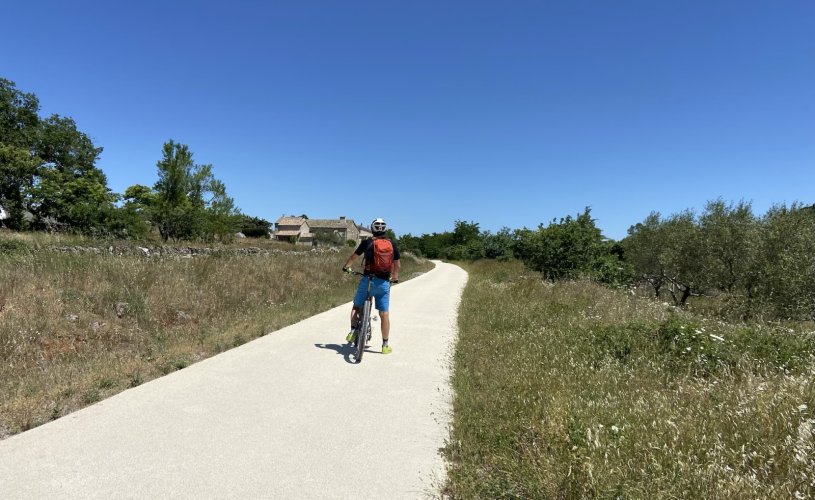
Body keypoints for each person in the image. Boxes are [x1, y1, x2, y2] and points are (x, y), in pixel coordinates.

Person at [342, 218, 401, 354]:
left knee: (356, 307)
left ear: (372, 229)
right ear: (384, 230)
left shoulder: (367, 242)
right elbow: (397, 265)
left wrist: (347, 267)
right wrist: (395, 278)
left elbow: (353, 257)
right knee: (384, 314)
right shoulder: (391, 244)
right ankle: (385, 345)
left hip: (367, 281)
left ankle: (352, 332)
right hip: (383, 283)